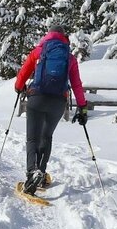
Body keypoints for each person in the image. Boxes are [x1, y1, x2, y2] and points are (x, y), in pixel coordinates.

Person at [13, 20, 88, 195]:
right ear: (64, 38)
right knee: (46, 136)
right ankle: (42, 171)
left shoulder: (39, 51)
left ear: (48, 35)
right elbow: (77, 85)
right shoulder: (69, 57)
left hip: (36, 99)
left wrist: (18, 87)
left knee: (33, 138)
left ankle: (32, 172)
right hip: (58, 102)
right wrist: (82, 107)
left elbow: (23, 73)